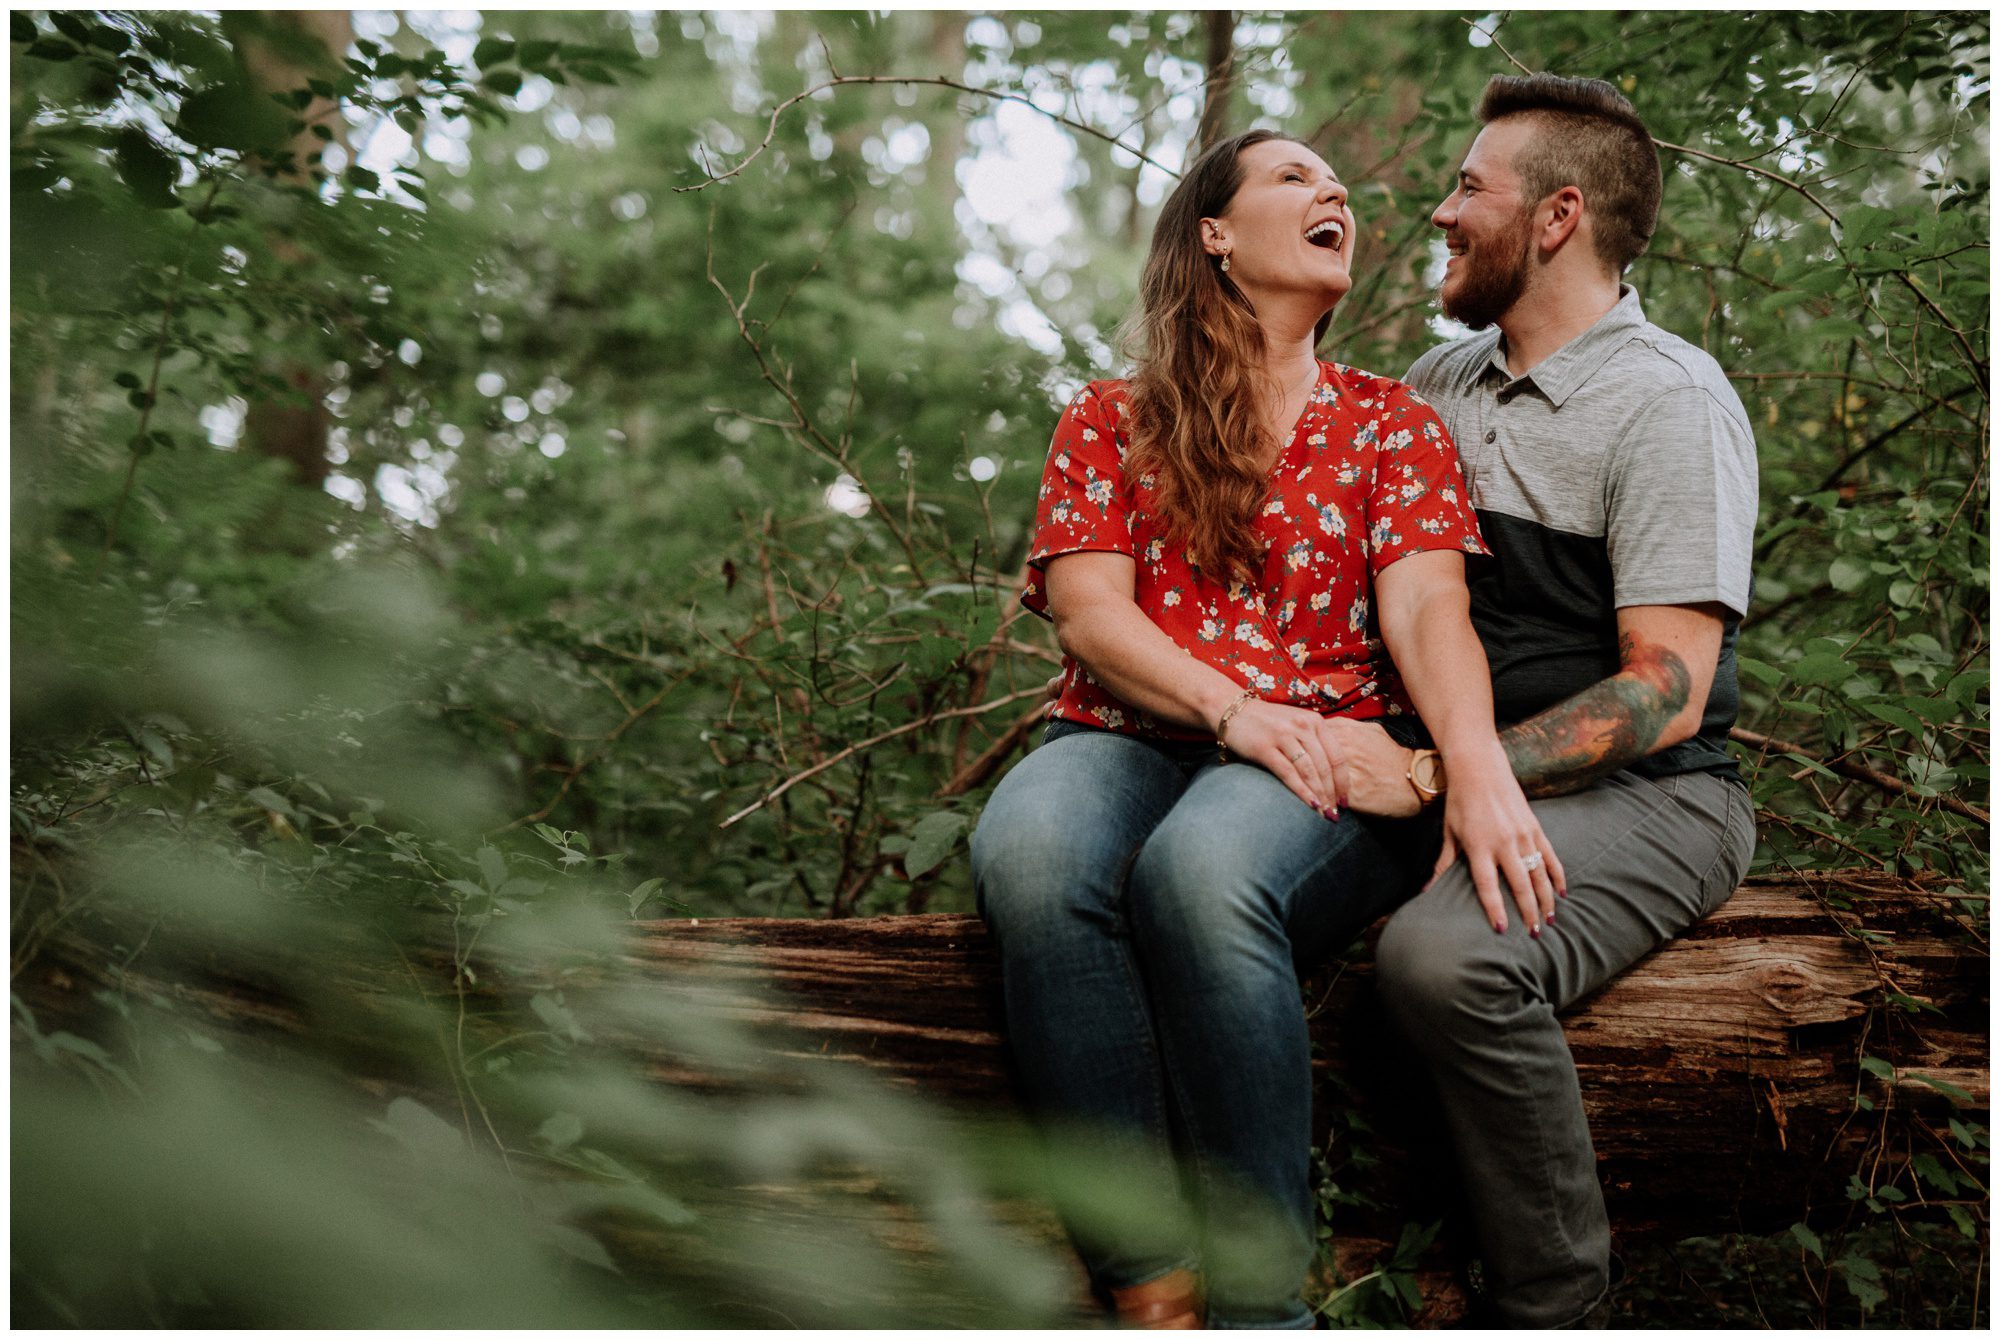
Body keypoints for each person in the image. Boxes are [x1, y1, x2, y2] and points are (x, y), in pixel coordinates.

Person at [969, 128, 1562, 1330]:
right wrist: (1230, 707)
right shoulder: (1110, 416)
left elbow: (1429, 609)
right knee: (1027, 851)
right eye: (1292, 176)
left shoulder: (1390, 420)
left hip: (1330, 745)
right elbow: (1088, 612)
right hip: (1127, 734)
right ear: (1214, 236)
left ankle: (1260, 1303)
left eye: (1333, 182)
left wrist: (1471, 764)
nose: (1332, 188)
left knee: (1200, 871)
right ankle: (1147, 1279)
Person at [1323, 74, 1760, 1326]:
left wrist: (1446, 773)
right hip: (1452, 762)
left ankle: (1552, 1297)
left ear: (1557, 216)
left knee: (1443, 957)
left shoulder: (1670, 400)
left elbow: (1666, 692)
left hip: (1654, 791)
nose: (1440, 210)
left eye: (1469, 187)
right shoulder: (1436, 380)